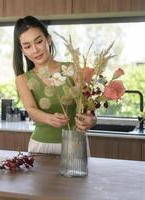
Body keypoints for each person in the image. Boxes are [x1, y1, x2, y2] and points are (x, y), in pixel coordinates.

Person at [13, 16, 97, 154]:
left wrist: (91, 119)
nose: (35, 50)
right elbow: (31, 110)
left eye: (39, 41)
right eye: (27, 46)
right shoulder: (22, 79)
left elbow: (88, 106)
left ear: (48, 39)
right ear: (23, 51)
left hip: (74, 144)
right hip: (41, 146)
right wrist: (49, 118)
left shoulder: (71, 69)